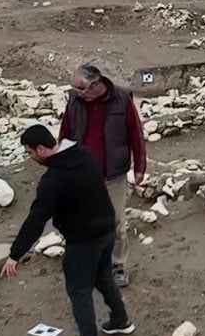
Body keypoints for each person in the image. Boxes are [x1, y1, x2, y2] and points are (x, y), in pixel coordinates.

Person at [1, 124, 134, 336]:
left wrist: (15, 254)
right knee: (103, 277)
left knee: (78, 290)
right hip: (106, 228)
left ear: (41, 149)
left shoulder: (54, 179)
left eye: (30, 152)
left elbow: (36, 219)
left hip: (84, 240)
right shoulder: (83, 154)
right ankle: (120, 321)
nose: (30, 158)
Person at [58, 64, 147, 288]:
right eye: (76, 90)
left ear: (96, 85)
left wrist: (140, 167)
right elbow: (66, 132)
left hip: (112, 173)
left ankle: (117, 264)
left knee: (115, 221)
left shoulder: (121, 98)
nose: (78, 94)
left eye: (82, 90)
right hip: (82, 174)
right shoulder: (74, 100)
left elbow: (135, 133)